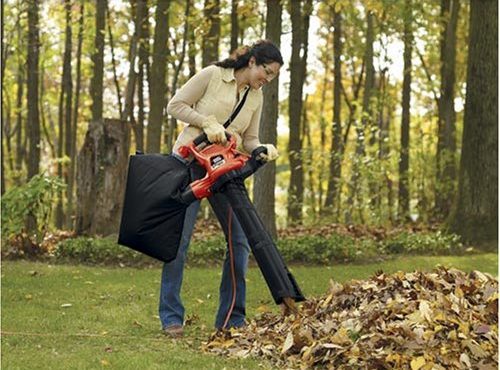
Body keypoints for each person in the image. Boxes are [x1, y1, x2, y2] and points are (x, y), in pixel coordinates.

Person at [159, 40, 283, 337]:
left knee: (239, 241)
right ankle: (171, 316)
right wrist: (206, 122)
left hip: (226, 170)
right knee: (179, 241)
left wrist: (261, 149)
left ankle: (232, 318)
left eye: (273, 76)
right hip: (190, 163)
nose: (267, 79)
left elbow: (249, 138)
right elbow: (175, 105)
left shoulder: (256, 96)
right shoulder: (212, 75)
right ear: (252, 62)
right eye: (266, 71)